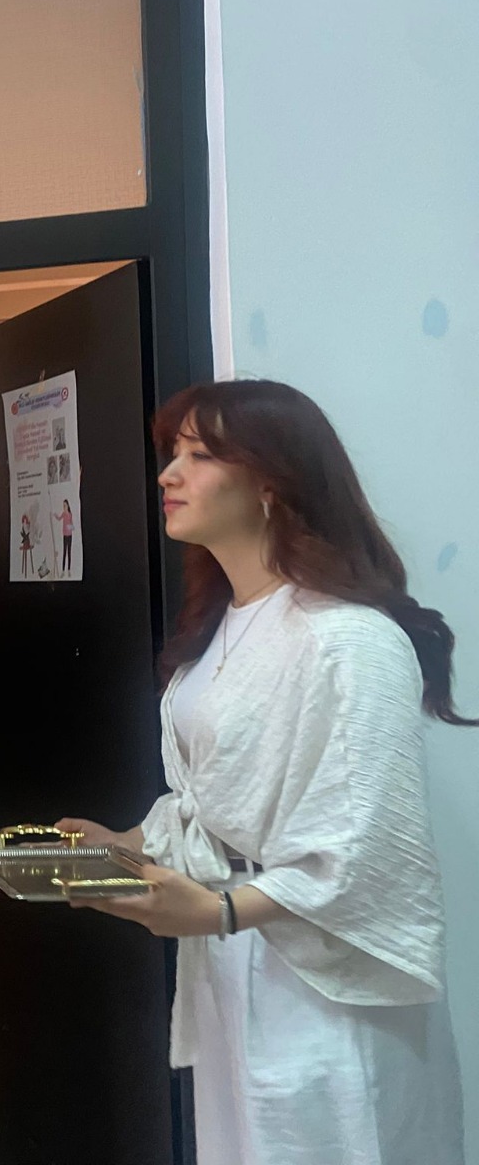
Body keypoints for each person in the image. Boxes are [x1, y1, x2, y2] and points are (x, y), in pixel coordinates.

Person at [57, 381, 469, 1165]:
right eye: (172, 453)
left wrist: (221, 909)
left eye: (199, 455)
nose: (168, 474)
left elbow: (371, 844)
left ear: (272, 481)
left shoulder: (349, 640)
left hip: (333, 989)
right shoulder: (223, 626)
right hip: (234, 965)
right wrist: (125, 843)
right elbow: (216, 800)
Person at [59, 498, 74, 574]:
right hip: (65, 535)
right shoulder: (63, 514)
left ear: (67, 505)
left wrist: (69, 527)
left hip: (70, 536)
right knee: (64, 552)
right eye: (63, 506)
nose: (64, 507)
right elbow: (59, 518)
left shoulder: (70, 514)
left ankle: (69, 570)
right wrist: (54, 514)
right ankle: (63, 570)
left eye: (65, 505)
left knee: (69, 553)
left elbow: (72, 526)